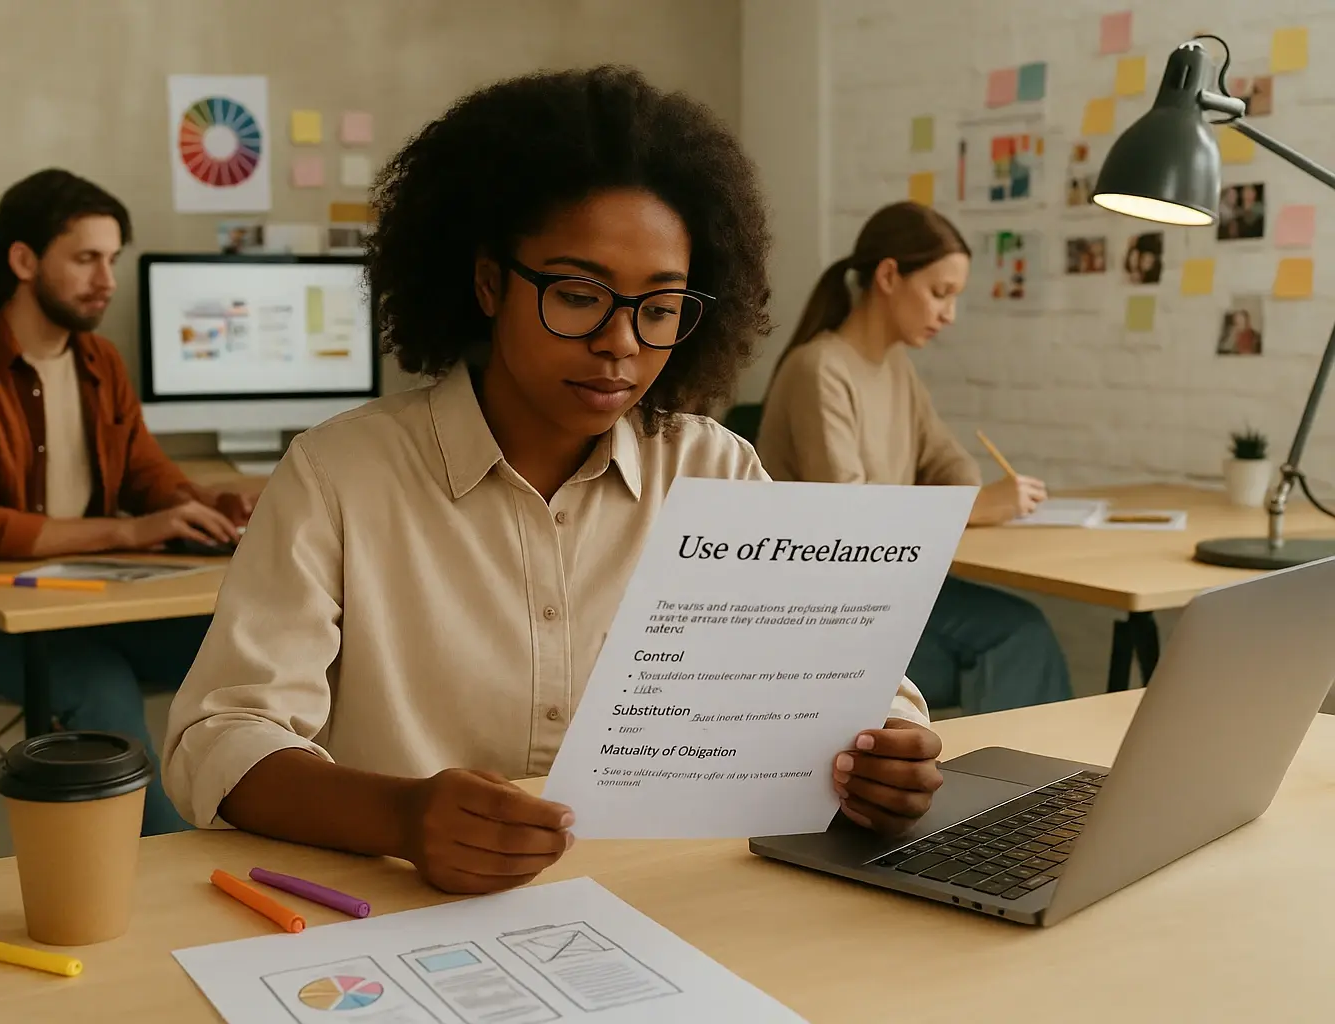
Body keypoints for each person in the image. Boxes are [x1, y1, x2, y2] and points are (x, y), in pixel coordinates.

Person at [163, 67, 946, 895]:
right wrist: (398, 817)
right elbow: (220, 739)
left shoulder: (714, 471)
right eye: (577, 295)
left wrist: (887, 756)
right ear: (489, 282)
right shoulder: (340, 476)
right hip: (398, 920)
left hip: (667, 901)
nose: (620, 342)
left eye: (660, 306)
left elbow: (851, 688)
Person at [0, 169, 256, 836]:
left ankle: (284, 826)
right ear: (23, 260)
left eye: (112, 259)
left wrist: (208, 506)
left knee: (252, 638)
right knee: (97, 684)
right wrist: (133, 531)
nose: (107, 279)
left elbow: (148, 476)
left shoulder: (101, 363)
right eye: (87, 258)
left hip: (83, 604)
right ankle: (171, 876)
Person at [755, 201, 1072, 715]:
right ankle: (1018, 786)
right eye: (939, 293)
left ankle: (1028, 784)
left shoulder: (896, 367)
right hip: (829, 610)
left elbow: (949, 462)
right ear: (888, 276)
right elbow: (849, 520)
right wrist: (972, 508)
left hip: (891, 586)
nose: (948, 313)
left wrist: (965, 496)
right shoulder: (820, 370)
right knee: (1017, 637)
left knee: (1025, 627)